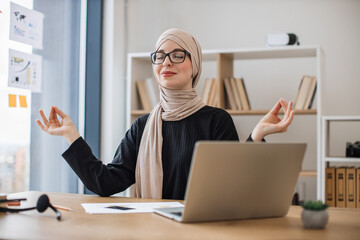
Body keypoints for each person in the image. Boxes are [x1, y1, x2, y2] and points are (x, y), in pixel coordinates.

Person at [36, 28, 295, 200]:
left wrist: (258, 134)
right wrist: (71, 136)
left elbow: (235, 183)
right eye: (159, 56)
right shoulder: (142, 126)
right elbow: (105, 183)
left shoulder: (216, 120)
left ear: (194, 65)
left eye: (177, 54)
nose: (166, 62)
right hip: (151, 232)